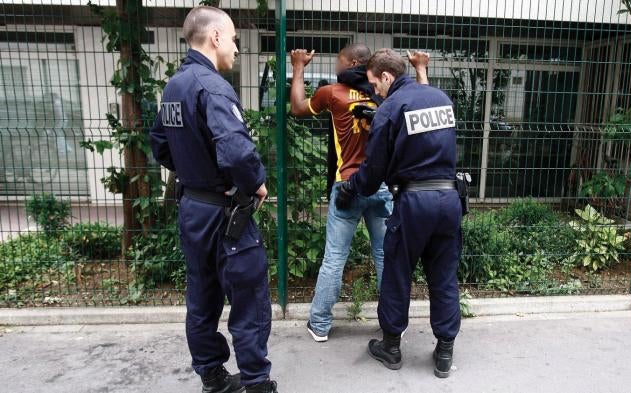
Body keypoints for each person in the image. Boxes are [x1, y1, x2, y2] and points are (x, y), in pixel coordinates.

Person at [150, 6, 278, 393]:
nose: (237, 49)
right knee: (249, 297)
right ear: (216, 37)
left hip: (193, 208)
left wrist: (195, 171)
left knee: (202, 296)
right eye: (235, 39)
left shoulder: (174, 86)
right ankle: (256, 383)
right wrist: (256, 182)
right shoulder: (213, 86)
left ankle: (213, 377)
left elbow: (159, 146)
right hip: (226, 213)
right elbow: (238, 153)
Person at [288, 44, 429, 343]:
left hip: (348, 186)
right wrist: (420, 69)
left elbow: (298, 108)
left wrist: (299, 66)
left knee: (335, 258)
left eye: (338, 60)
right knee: (384, 255)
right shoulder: (389, 96)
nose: (336, 66)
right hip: (382, 186)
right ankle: (393, 323)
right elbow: (422, 101)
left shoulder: (332, 92)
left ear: (352, 62)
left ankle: (320, 324)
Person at [336, 48, 462, 378]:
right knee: (444, 275)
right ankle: (445, 350)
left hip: (414, 202)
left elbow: (374, 171)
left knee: (397, 272)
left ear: (387, 77)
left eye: (375, 83)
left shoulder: (390, 108)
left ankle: (391, 347)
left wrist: (351, 187)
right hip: (449, 199)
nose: (374, 90)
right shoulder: (441, 98)